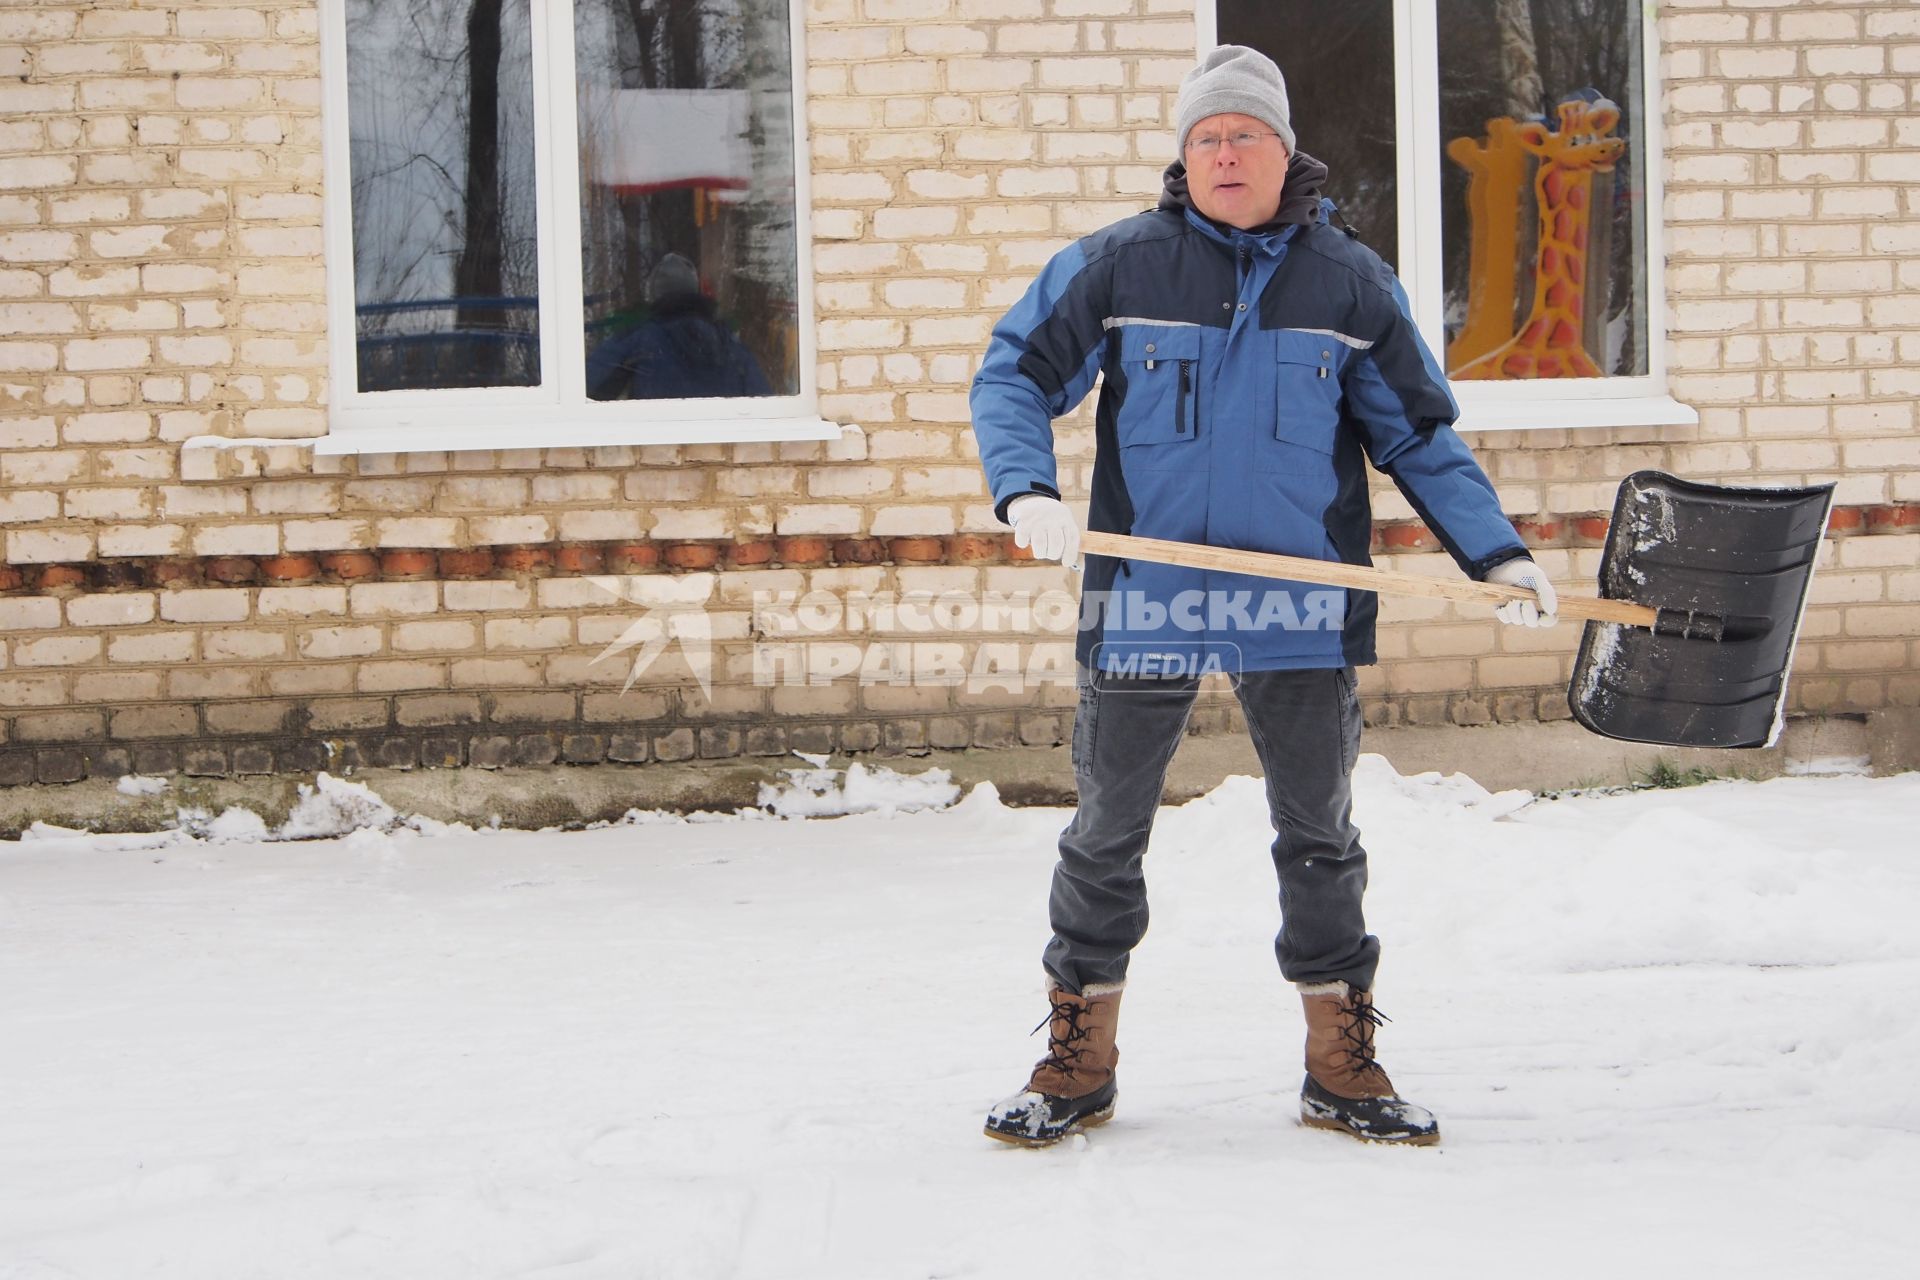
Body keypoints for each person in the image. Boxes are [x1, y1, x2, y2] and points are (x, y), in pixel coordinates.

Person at [968, 45, 1558, 1148]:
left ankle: (1341, 1056)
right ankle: (1078, 1054)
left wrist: (1496, 554)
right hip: (1148, 591)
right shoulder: (1119, 267)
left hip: (1298, 596)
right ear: (1183, 158)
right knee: (1105, 829)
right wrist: (1025, 489)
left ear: (1287, 155)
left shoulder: (1348, 285)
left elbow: (1418, 436)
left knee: (1318, 831)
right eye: (1206, 138)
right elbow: (1012, 371)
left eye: (1246, 135)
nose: (1226, 152)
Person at [586, 253, 771, 401]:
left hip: (659, 443)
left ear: (656, 295)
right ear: (695, 290)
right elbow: (765, 403)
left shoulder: (639, 340)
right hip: (723, 444)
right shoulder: (730, 345)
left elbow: (588, 390)